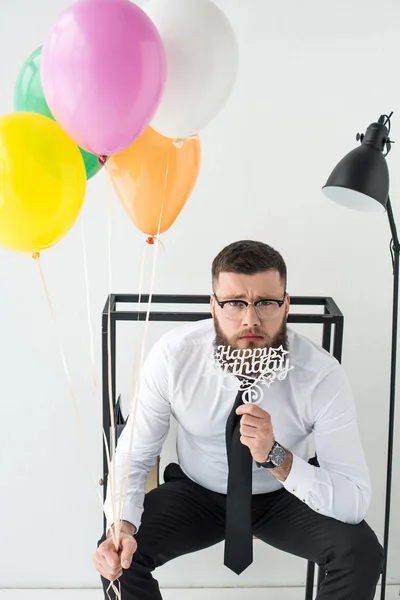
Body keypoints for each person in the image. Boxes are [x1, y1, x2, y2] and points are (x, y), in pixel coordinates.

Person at [94, 240, 383, 599]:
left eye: (265, 302)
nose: (251, 319)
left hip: (282, 496)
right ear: (213, 305)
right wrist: (120, 525)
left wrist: (276, 457)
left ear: (285, 304)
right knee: (116, 557)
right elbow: (133, 457)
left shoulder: (321, 375)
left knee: (361, 553)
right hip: (197, 493)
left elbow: (354, 499)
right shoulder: (173, 357)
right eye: (234, 303)